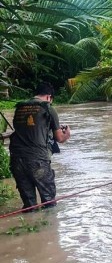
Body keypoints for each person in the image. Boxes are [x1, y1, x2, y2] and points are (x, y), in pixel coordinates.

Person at [9, 82, 71, 211]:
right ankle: (49, 229)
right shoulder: (48, 108)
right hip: (38, 160)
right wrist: (67, 134)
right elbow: (59, 138)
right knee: (49, 204)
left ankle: (30, 227)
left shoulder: (20, 107)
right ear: (49, 97)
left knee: (29, 206)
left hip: (16, 160)